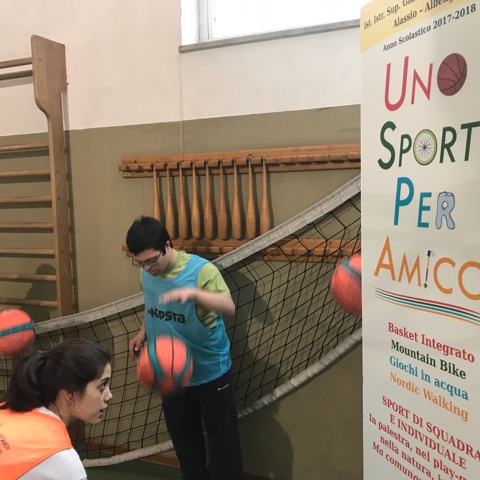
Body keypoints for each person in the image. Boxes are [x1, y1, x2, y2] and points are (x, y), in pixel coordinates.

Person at [126, 216, 243, 480]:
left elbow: (229, 307)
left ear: (167, 245)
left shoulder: (202, 271)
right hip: (172, 375)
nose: (147, 268)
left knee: (224, 448)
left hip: (211, 373)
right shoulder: (146, 274)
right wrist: (143, 333)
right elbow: (152, 305)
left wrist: (193, 294)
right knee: (187, 451)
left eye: (151, 260)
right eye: (140, 262)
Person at [0, 338, 113, 480]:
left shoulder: (5, 408)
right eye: (102, 385)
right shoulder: (62, 460)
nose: (109, 395)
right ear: (70, 394)